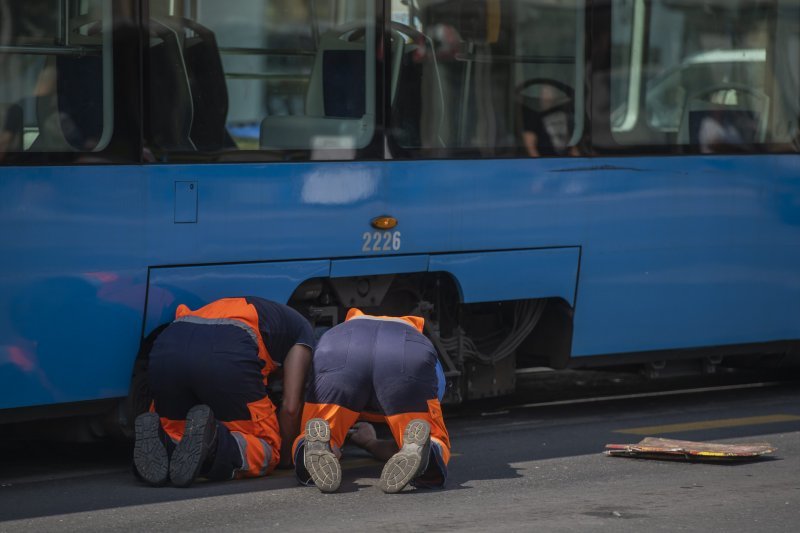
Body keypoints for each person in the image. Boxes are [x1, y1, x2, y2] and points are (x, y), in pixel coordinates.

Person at [132, 296, 313, 487]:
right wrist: (285, 460)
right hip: (227, 353)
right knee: (267, 447)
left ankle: (165, 445)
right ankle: (215, 444)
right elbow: (290, 407)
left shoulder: (243, 307)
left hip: (169, 347)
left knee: (176, 429)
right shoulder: (303, 331)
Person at [292, 308, 450, 493]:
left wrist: (370, 443)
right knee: (428, 438)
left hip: (339, 347)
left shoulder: (342, 328)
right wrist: (374, 443)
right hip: (406, 354)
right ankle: (429, 455)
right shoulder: (417, 338)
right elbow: (435, 390)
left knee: (327, 432)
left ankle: (313, 450)